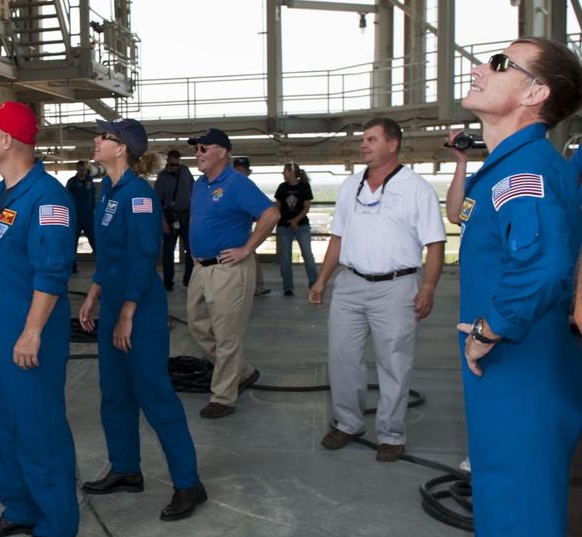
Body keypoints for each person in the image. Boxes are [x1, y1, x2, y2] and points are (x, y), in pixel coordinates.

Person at [428, 38, 582, 537]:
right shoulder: (507, 168)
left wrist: (493, 327)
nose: (481, 68)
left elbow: (544, 265)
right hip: (509, 383)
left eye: (501, 63)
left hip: (520, 377)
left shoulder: (529, 174)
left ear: (535, 94)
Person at [0, 101, 79, 537]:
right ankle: (20, 508)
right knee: (7, 423)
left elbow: (51, 273)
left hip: (33, 332)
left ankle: (57, 523)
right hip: (0, 327)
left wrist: (32, 332)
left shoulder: (49, 199)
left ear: (7, 140)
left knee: (39, 425)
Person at [77, 119, 205, 520]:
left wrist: (127, 312)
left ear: (123, 149)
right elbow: (111, 253)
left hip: (139, 308)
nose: (96, 140)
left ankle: (189, 483)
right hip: (114, 300)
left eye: (105, 137)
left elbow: (144, 253)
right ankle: (126, 469)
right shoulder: (107, 191)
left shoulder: (139, 196)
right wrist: (94, 294)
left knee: (154, 394)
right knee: (114, 392)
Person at [307, 118, 445, 462]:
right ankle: (349, 422)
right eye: (363, 140)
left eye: (371, 139)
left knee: (394, 362)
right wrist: (322, 279)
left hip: (396, 287)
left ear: (393, 144)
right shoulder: (350, 185)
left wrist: (427, 287)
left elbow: (435, 243)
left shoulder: (417, 188)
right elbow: (337, 237)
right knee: (342, 359)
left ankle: (391, 434)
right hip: (350, 284)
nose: (363, 145)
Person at [185, 129, 280, 419]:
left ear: (222, 152)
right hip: (201, 268)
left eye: (204, 148)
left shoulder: (237, 183)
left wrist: (247, 249)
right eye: (197, 148)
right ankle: (242, 372)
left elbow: (271, 214)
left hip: (228, 269)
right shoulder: (200, 184)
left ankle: (224, 396)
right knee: (197, 325)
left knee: (227, 335)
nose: (198, 153)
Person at [273, 162, 319, 296]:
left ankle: (314, 283)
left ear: (291, 173)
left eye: (285, 171)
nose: (283, 173)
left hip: (301, 225)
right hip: (284, 226)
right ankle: (288, 287)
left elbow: (306, 207)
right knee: (285, 258)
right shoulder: (282, 187)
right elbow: (278, 205)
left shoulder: (304, 186)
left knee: (307, 255)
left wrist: (296, 220)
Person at [154, 147, 193, 290]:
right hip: (170, 217)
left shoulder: (185, 171)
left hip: (187, 216)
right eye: (171, 164)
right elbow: (157, 202)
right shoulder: (162, 178)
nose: (174, 167)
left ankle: (189, 280)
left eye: (177, 164)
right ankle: (168, 282)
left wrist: (193, 214)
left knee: (191, 249)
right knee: (168, 251)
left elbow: (193, 190)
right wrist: (163, 222)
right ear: (167, 162)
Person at [232, 156, 270, 295]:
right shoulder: (232, 185)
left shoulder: (247, 186)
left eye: (242, 170)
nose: (240, 173)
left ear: (248, 171)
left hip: (244, 230)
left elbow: (267, 213)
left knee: (249, 255)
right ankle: (252, 285)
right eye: (237, 170)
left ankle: (256, 285)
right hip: (233, 230)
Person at [66, 159, 96, 266]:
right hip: (76, 217)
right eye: (80, 170)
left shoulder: (90, 181)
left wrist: (93, 211)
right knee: (73, 242)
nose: (82, 172)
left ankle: (102, 263)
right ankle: (72, 265)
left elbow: (92, 197)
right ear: (77, 169)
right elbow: (67, 199)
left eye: (84, 170)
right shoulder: (71, 182)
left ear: (86, 169)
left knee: (94, 240)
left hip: (88, 217)